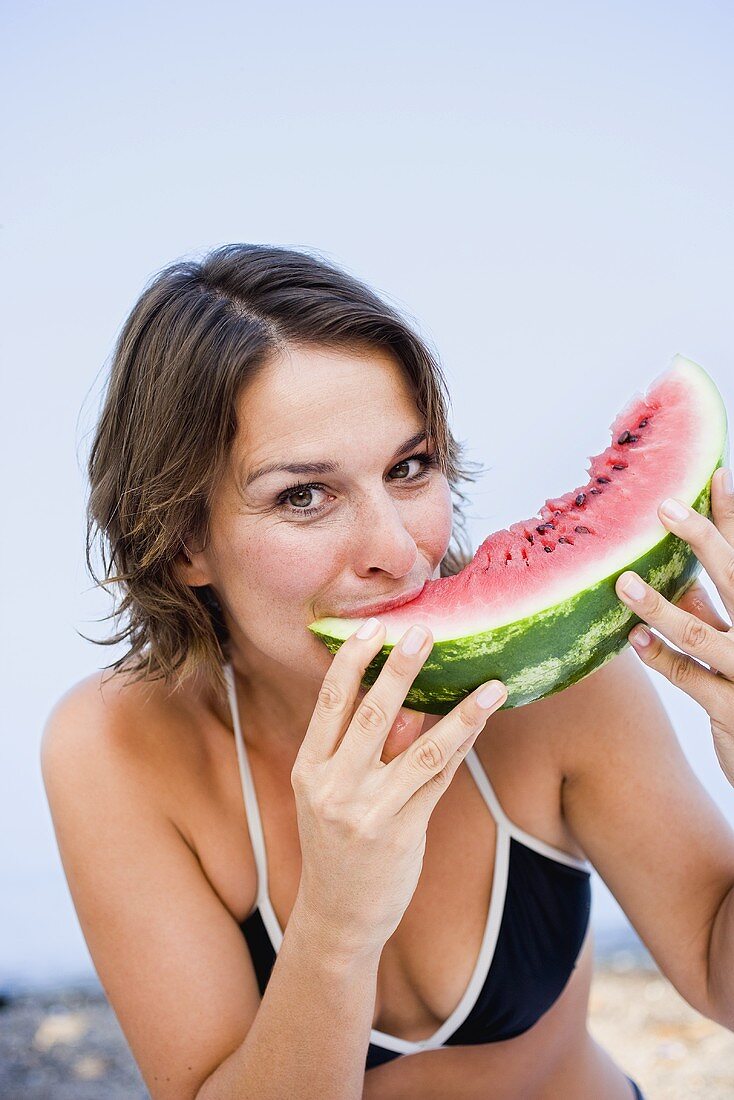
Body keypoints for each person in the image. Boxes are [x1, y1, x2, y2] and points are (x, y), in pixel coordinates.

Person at [41, 243, 734, 1100]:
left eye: (410, 469)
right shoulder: (115, 750)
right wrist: (335, 924)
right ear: (184, 541)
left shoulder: (555, 685)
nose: (399, 550)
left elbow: (716, 965)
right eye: (304, 495)